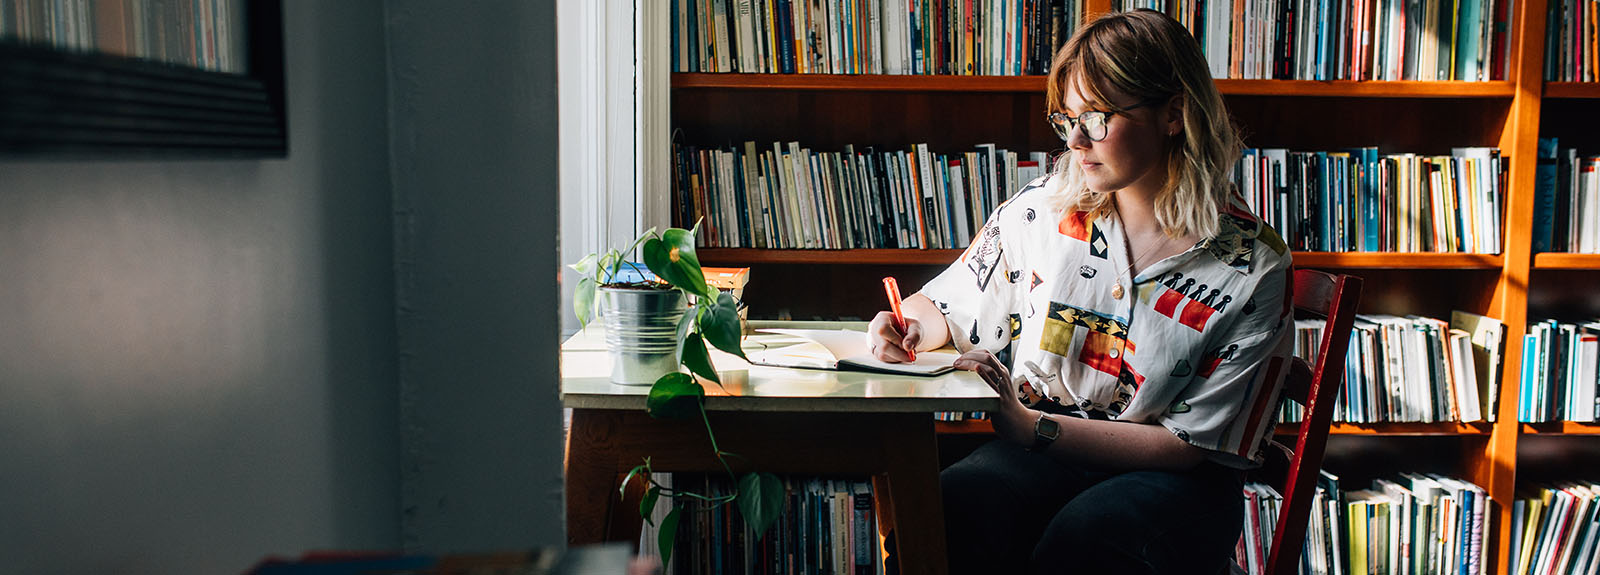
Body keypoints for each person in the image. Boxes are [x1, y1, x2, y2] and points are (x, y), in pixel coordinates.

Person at [868, 9, 1295, 575]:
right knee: (947, 511)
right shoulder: (1041, 212)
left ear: (1174, 114)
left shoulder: (1253, 264)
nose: (1073, 140)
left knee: (1086, 541)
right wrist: (913, 323)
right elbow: (950, 300)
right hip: (1045, 454)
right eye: (1066, 118)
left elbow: (1188, 447)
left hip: (1175, 482)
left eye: (1097, 118)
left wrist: (1031, 425)